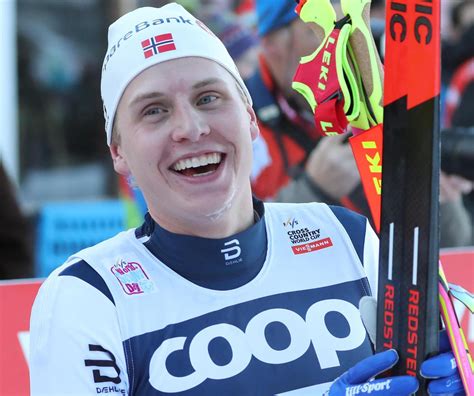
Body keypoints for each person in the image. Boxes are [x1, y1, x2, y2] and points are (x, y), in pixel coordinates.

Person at [29, 3, 463, 395]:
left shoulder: (345, 238)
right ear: (118, 152)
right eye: (154, 110)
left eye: (208, 97)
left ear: (250, 118)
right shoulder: (90, 297)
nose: (191, 127)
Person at [249, 0, 472, 247]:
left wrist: (431, 192)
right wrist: (312, 189)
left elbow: (454, 245)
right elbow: (237, 248)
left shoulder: (378, 98)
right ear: (272, 44)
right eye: (325, 29)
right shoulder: (239, 120)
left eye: (354, 26)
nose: (346, 44)